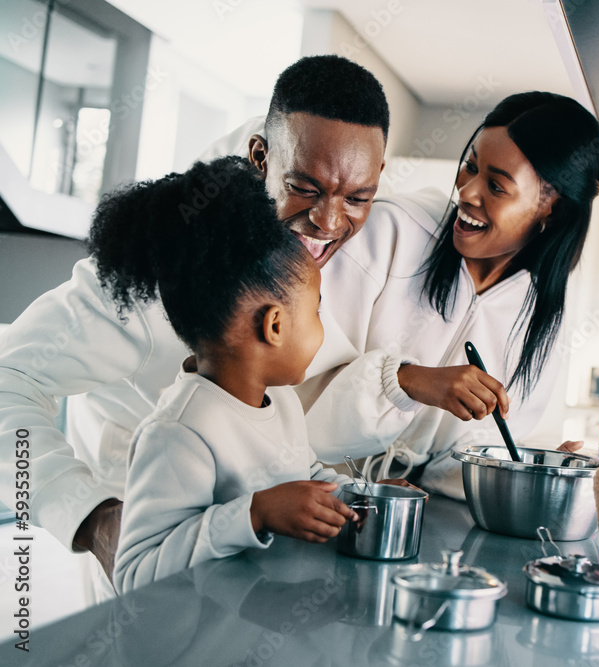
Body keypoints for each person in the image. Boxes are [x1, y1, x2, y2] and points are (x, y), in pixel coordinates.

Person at [0, 55, 406, 587]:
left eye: (357, 198)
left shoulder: (329, 251)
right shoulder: (163, 273)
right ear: (261, 157)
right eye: (304, 187)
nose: (330, 222)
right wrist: (91, 515)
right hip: (146, 570)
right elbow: (10, 381)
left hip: (247, 587)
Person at [305, 92, 599, 495]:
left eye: (496, 186)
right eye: (470, 166)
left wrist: (520, 468)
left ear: (551, 209)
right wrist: (406, 381)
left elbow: (463, 455)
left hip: (401, 512)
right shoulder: (389, 233)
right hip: (306, 494)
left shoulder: (540, 312)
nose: (466, 192)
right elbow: (299, 389)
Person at [101, 157, 359, 592]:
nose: (323, 327)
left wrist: (360, 495)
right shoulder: (179, 433)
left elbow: (305, 472)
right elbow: (135, 574)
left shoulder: (281, 401)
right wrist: (254, 514)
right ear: (274, 326)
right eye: (316, 311)